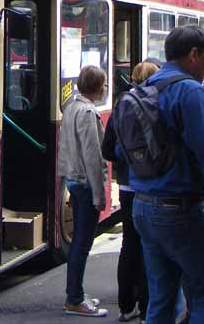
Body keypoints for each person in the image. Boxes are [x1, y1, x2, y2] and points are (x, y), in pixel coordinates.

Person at [130, 25, 204, 323]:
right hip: (182, 209)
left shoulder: (146, 86)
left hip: (144, 204)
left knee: (161, 301)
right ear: (193, 55)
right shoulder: (189, 90)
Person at [102, 61, 158, 322]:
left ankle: (126, 306)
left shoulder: (121, 107)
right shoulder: (158, 105)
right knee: (151, 248)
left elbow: (106, 150)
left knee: (129, 244)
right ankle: (148, 308)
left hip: (126, 186)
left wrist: (126, 157)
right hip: (151, 187)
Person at [58, 65, 109, 317]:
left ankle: (76, 293)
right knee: (82, 243)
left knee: (79, 241)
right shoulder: (88, 113)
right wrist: (100, 195)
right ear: (98, 87)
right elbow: (92, 156)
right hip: (85, 183)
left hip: (73, 179)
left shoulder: (71, 107)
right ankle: (75, 299)